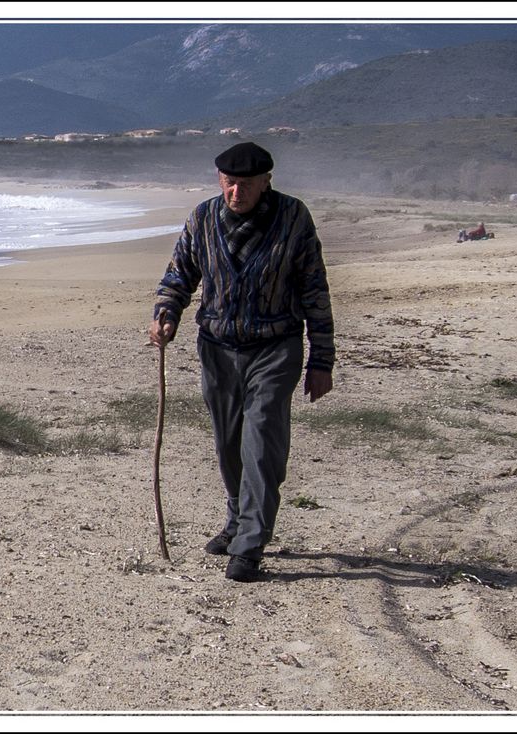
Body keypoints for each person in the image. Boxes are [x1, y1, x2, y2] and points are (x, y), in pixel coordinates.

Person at [148, 141, 335, 583]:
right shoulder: (203, 218)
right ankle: (236, 518)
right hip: (217, 348)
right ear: (220, 180)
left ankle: (250, 543)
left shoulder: (293, 218)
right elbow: (179, 274)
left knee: (262, 442)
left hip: (276, 348)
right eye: (230, 183)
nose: (237, 193)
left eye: (246, 185)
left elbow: (315, 291)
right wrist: (166, 313)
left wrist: (321, 361)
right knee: (228, 443)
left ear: (267, 181)